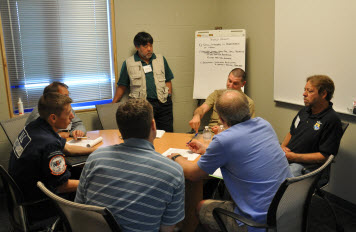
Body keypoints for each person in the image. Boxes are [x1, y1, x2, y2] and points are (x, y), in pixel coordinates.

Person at [168, 90, 292, 232]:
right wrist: (207, 149)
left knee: (202, 207)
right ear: (247, 108)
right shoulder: (264, 124)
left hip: (259, 222)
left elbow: (193, 174)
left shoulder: (224, 140)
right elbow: (243, 149)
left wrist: (176, 157)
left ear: (220, 118)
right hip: (285, 211)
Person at [75, 99, 185, 232]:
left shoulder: (95, 158)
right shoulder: (173, 171)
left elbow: (79, 207)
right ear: (153, 126)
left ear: (119, 128)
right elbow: (167, 229)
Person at [8, 92, 96, 222]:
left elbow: (68, 148)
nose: (72, 116)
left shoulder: (37, 126)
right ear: (53, 118)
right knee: (91, 185)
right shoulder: (49, 144)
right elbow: (62, 186)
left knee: (80, 176)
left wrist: (96, 150)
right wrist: (95, 184)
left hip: (21, 195)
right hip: (38, 204)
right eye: (68, 113)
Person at [281, 75, 343, 176]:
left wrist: (294, 157)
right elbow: (292, 132)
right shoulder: (304, 111)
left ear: (323, 94)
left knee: (280, 180)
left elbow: (325, 156)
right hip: (289, 158)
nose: (304, 94)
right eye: (305, 90)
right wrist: (282, 147)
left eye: (310, 91)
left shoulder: (332, 120)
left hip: (307, 166)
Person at [112, 32, 174, 132]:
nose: (149, 49)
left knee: (167, 133)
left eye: (151, 45)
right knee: (144, 134)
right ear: (137, 47)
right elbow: (122, 86)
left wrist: (169, 96)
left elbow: (168, 80)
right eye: (145, 46)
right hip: (142, 106)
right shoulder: (129, 63)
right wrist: (113, 104)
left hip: (163, 104)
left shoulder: (160, 59)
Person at [189, 68, 255, 134]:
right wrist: (197, 115)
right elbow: (202, 109)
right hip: (210, 134)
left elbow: (247, 129)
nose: (230, 86)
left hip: (232, 136)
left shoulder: (248, 103)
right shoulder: (217, 94)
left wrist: (224, 130)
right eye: (229, 81)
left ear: (243, 84)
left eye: (235, 83)